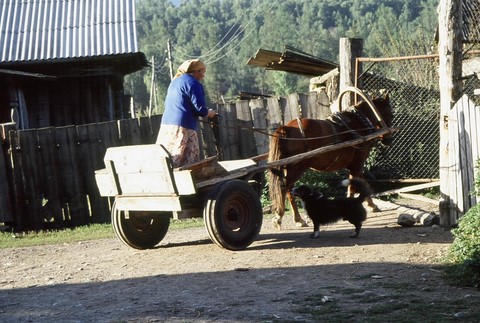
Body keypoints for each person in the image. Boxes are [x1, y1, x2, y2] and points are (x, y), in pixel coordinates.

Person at [156, 59, 216, 167]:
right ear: (196, 72)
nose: (203, 76)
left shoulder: (175, 81)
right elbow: (201, 110)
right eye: (203, 72)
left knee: (168, 157)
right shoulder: (193, 83)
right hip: (183, 127)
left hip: (167, 125)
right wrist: (209, 112)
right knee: (188, 161)